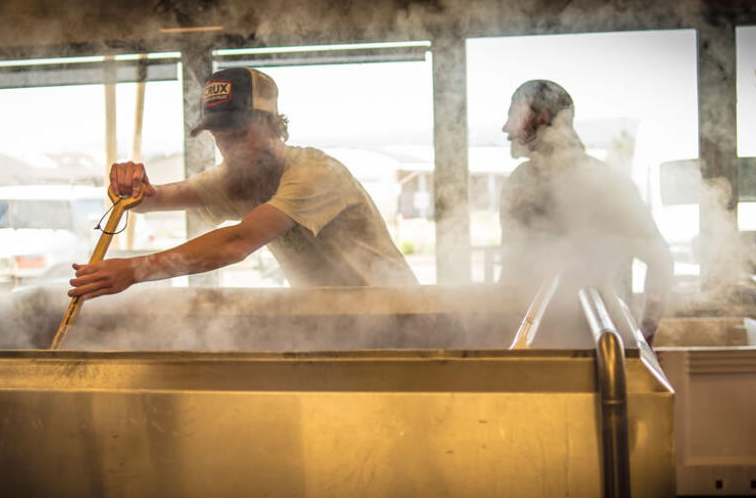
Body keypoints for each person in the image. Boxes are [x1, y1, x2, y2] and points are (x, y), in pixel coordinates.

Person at [68, 67, 417, 299]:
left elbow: (237, 242)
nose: (230, 148)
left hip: (397, 311)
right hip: (329, 316)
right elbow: (155, 199)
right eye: (220, 137)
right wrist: (131, 187)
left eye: (240, 134)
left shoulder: (315, 172)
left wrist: (133, 270)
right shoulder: (239, 178)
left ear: (273, 124)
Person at [499, 80, 673, 344]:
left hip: (595, 348)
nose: (506, 128)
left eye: (513, 115)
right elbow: (512, 272)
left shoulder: (603, 184)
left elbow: (660, 262)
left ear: (540, 119)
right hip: (587, 345)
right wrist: (644, 338)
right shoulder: (521, 185)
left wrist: (644, 338)